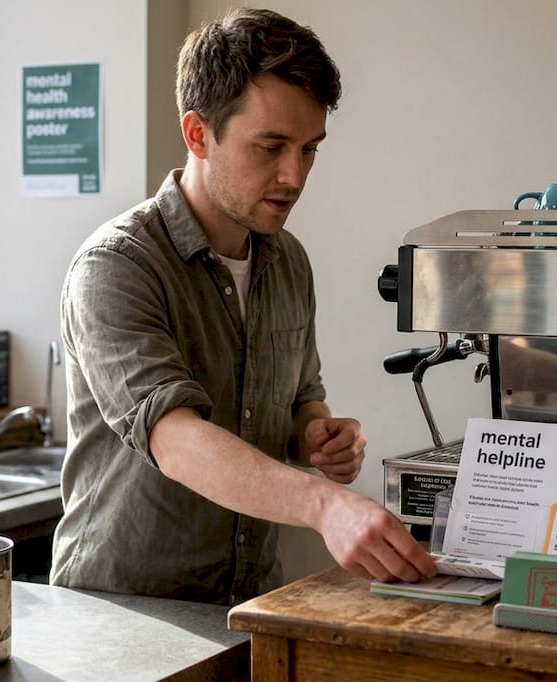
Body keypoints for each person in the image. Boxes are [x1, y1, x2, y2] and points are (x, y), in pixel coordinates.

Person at [50, 7, 435, 605]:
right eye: (271, 146)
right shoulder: (115, 266)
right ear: (198, 134)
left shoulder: (288, 261)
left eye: (310, 149)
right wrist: (323, 503)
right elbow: (175, 439)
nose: (294, 175)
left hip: (249, 604)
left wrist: (319, 435)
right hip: (122, 612)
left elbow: (297, 400)